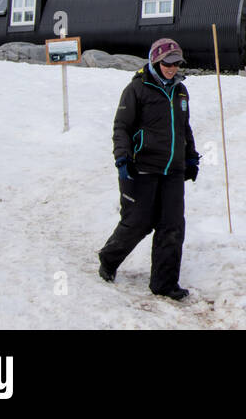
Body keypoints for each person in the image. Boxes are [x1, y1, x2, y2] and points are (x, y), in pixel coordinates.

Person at [97, 37, 201, 300]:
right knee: (137, 223)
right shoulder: (136, 89)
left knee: (172, 226)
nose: (172, 68)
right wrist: (122, 158)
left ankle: (164, 284)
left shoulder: (180, 91)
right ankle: (109, 259)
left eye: (176, 63)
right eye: (167, 62)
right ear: (155, 60)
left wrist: (190, 157)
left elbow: (184, 127)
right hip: (141, 167)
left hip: (173, 169)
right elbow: (121, 127)